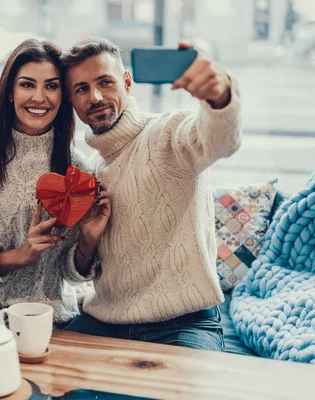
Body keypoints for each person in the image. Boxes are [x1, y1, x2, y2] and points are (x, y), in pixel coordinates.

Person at [61, 37, 242, 351]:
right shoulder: (88, 171)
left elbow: (218, 140)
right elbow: (77, 273)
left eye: (105, 82)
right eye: (81, 89)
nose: (95, 97)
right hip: (104, 321)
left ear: (127, 83)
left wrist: (220, 95)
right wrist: (88, 241)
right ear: (72, 100)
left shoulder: (168, 133)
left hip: (183, 324)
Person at [0, 39, 111, 325]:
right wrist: (21, 256)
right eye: (27, 85)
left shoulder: (77, 169)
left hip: (47, 309)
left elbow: (72, 274)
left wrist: (88, 241)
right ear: (9, 92)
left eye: (52, 86)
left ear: (63, 95)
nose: (39, 97)